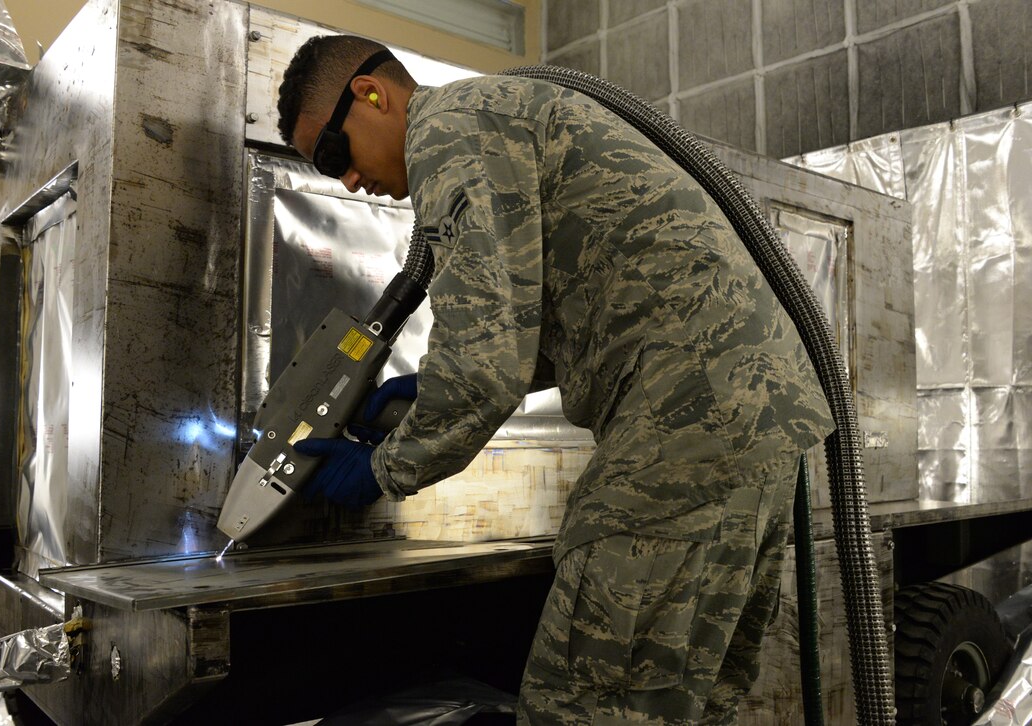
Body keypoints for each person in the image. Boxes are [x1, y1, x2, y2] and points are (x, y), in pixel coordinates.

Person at [277, 34, 835, 725]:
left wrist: (385, 468)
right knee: (671, 705)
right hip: (749, 413)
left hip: (689, 418)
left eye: (334, 156)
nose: (349, 181)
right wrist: (426, 386)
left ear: (372, 94)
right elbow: (559, 312)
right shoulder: (500, 115)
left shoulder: (448, 129)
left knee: (583, 702)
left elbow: (485, 362)